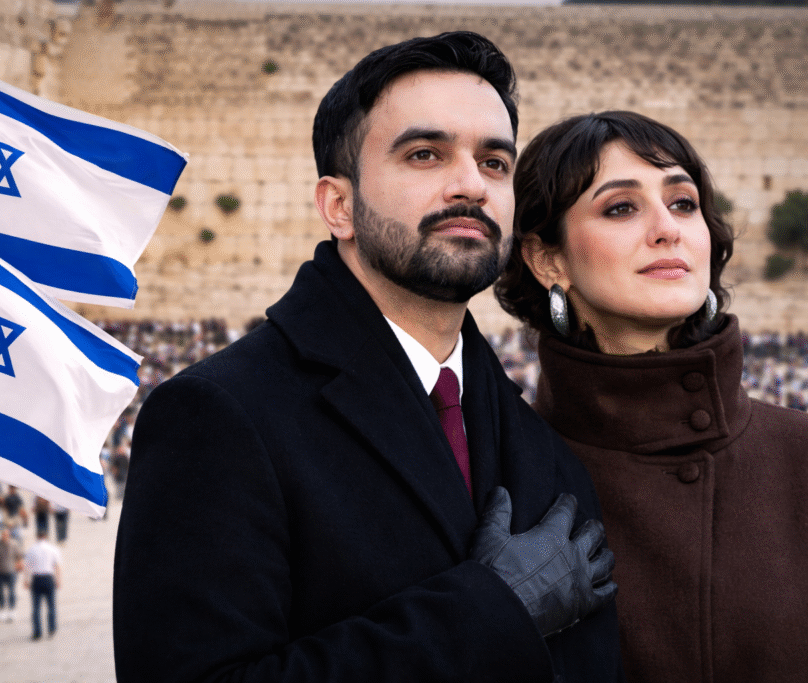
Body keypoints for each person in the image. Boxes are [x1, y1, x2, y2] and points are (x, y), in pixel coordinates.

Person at [114, 32, 622, 682]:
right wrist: (493, 609)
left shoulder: (543, 447)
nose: (471, 183)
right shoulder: (220, 415)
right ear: (340, 205)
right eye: (424, 154)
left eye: (495, 163)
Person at [494, 110, 808, 682]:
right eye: (621, 208)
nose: (668, 228)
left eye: (684, 203)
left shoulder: (799, 456)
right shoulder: (505, 479)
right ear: (547, 259)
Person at [23, 529, 61, 641]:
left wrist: (26, 580)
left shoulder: (32, 549)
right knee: (51, 605)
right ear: (46, 537)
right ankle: (52, 629)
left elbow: (27, 566)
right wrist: (58, 580)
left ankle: (37, 632)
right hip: (49, 577)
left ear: (37, 537)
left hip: (37, 578)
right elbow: (57, 566)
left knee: (36, 607)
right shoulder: (53, 549)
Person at [0, 527, 23, 623]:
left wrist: (19, 565)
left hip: (11, 572)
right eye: (3, 535)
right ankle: (1, 610)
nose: (5, 536)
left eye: (6, 535)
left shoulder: (14, 544)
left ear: (9, 535)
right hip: (0, 572)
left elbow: (19, 556)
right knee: (0, 593)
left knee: (12, 592)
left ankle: (12, 610)